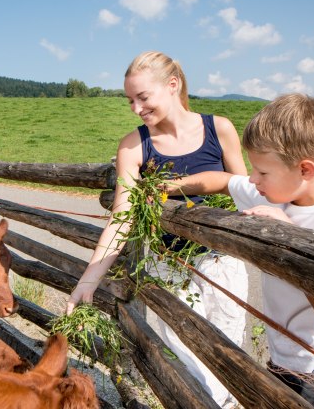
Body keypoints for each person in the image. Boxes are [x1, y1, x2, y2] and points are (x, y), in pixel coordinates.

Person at [166, 93, 314, 408]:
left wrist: (292, 240)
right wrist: (171, 187)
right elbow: (225, 180)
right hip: (285, 367)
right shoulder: (274, 194)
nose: (253, 179)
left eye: (263, 172)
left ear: (305, 170)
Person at [65, 51, 249, 408]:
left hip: (221, 264)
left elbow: (244, 192)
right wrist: (88, 279)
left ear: (172, 85)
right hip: (167, 271)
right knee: (185, 365)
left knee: (227, 357)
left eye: (143, 97)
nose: (135, 108)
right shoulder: (134, 146)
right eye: (130, 100)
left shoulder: (219, 128)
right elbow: (123, 218)